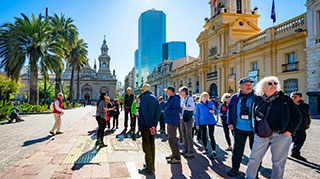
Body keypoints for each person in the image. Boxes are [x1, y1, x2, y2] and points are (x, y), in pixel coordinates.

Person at [246, 76, 302, 179]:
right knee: (254, 159)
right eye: (270, 83)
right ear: (262, 87)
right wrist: (255, 129)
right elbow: (252, 114)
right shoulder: (258, 99)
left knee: (278, 162)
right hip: (261, 134)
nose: (273, 85)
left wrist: (289, 131)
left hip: (281, 135)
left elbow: (298, 116)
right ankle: (249, 177)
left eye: (275, 83)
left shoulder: (285, 99)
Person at [227, 78, 259, 177]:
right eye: (246, 84)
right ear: (240, 87)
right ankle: (235, 168)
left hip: (254, 129)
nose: (249, 86)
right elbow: (230, 110)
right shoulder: (235, 97)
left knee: (256, 152)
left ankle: (255, 172)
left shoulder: (257, 97)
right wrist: (230, 122)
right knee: (237, 150)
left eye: (250, 84)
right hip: (239, 128)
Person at [138, 84, 161, 176]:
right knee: (152, 146)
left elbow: (144, 113)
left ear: (143, 90)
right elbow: (158, 112)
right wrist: (154, 125)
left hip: (145, 126)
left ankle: (149, 168)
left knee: (146, 147)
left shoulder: (143, 98)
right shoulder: (155, 98)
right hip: (152, 126)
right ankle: (151, 165)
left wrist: (149, 126)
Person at [195, 92, 219, 159]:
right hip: (202, 122)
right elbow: (197, 115)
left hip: (211, 121)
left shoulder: (211, 103)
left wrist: (213, 112)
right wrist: (197, 124)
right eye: (204, 96)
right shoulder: (198, 104)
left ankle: (214, 151)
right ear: (201, 97)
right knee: (203, 135)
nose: (206, 97)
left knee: (211, 136)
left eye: (207, 96)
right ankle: (205, 148)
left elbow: (216, 112)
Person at [290, 92, 311, 161]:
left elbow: (308, 115)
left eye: (295, 96)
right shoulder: (288, 105)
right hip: (291, 127)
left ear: (300, 98)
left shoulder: (305, 106)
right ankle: (280, 152)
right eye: (292, 96)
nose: (293, 98)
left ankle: (295, 153)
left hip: (302, 126)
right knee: (287, 141)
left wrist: (308, 123)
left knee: (300, 140)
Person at [164, 86, 182, 164]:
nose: (166, 92)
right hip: (170, 120)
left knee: (172, 138)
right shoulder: (171, 98)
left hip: (172, 120)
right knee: (170, 138)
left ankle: (177, 157)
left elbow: (177, 109)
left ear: (171, 91)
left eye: (167, 91)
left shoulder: (175, 98)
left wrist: (167, 112)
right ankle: (174, 153)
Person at [179, 86, 195, 158]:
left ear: (185, 92)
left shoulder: (189, 98)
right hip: (182, 118)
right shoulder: (182, 99)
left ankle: (190, 151)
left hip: (188, 118)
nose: (180, 93)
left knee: (188, 134)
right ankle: (185, 149)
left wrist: (184, 108)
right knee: (183, 134)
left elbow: (192, 107)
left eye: (181, 92)